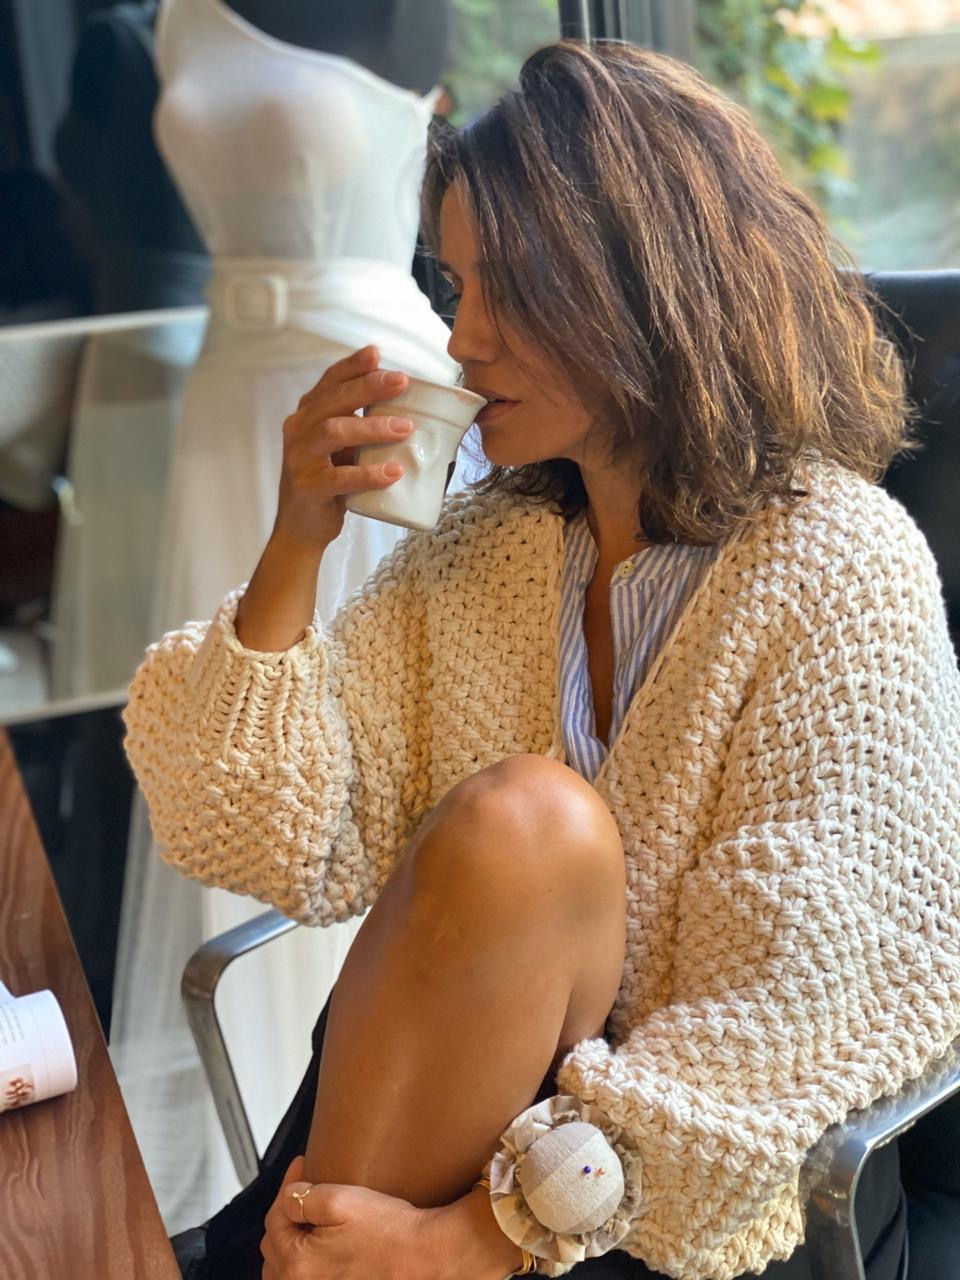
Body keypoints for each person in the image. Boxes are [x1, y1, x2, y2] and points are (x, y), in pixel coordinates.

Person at [123, 40, 960, 1280]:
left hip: (711, 1201)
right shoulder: (490, 550)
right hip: (456, 1128)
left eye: (506, 288)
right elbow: (262, 826)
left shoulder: (841, 571)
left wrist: (477, 1235)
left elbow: (788, 1017)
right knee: (523, 824)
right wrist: (296, 541)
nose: (460, 339)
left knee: (531, 820)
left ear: (642, 282)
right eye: (455, 285)